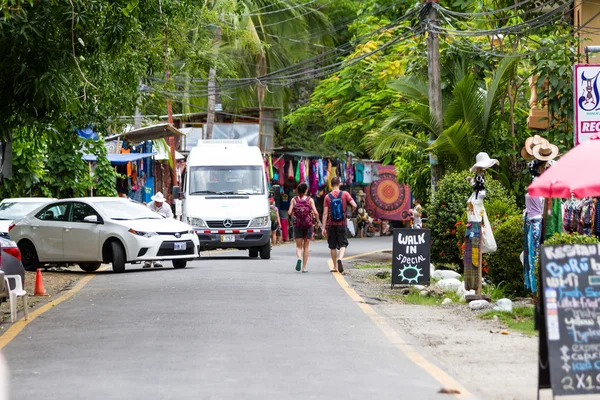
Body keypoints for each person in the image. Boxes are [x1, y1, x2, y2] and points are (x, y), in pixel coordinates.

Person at [322, 177, 357, 273]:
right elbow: (354, 205)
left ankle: (335, 267)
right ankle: (340, 258)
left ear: (331, 184)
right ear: (339, 184)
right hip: (342, 223)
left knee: (332, 246)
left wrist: (323, 228)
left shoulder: (327, 197)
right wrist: (349, 213)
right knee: (343, 243)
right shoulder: (345, 194)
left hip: (331, 224)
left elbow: (325, 213)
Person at [289, 183, 319, 273]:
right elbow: (316, 212)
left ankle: (299, 258)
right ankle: (304, 268)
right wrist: (317, 222)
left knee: (299, 246)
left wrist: (293, 218)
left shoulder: (294, 200)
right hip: (308, 225)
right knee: (306, 246)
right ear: (306, 190)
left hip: (298, 224)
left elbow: (289, 212)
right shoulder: (310, 200)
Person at [144, 192, 173, 268]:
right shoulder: (149, 206)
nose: (158, 203)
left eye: (160, 202)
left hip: (162, 228)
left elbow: (170, 217)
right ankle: (147, 261)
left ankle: (157, 260)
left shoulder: (166, 207)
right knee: (149, 243)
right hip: (150, 228)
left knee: (159, 244)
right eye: (157, 201)